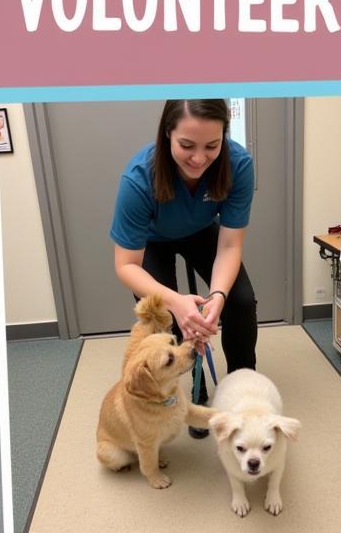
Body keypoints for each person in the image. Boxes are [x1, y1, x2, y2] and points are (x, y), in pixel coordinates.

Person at [110, 99, 257, 436]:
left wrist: (218, 296)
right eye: (186, 145)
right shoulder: (138, 178)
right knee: (169, 324)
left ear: (224, 137)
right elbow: (126, 266)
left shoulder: (238, 165)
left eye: (212, 146)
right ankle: (192, 396)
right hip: (151, 242)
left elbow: (231, 244)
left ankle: (241, 388)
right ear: (167, 135)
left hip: (201, 232)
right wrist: (176, 303)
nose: (199, 158)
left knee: (241, 302)